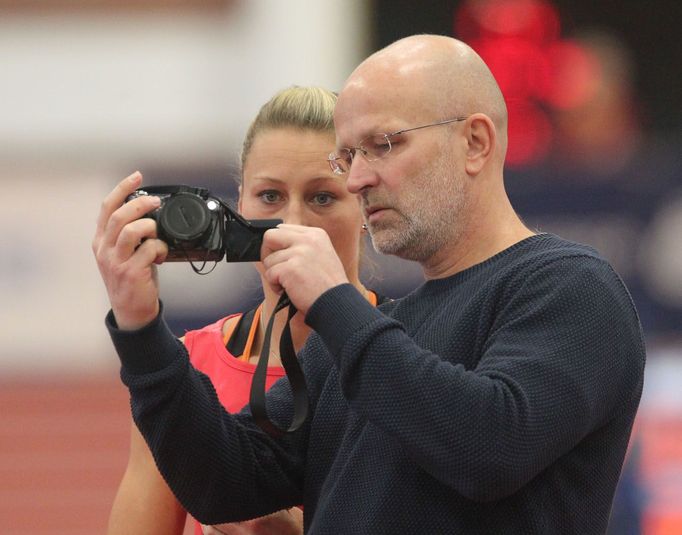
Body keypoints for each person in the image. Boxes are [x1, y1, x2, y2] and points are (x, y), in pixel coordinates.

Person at [94, 35, 646, 533]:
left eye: (383, 145)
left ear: (476, 142)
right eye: (349, 154)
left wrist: (335, 305)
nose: (357, 178)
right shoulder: (380, 334)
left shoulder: (570, 287)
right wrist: (141, 329)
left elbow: (487, 448)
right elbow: (226, 484)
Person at [102, 86, 380, 535]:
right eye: (270, 197)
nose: (292, 225)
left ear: (365, 205)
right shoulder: (183, 373)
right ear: (240, 205)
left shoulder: (414, 354)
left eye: (323, 198)